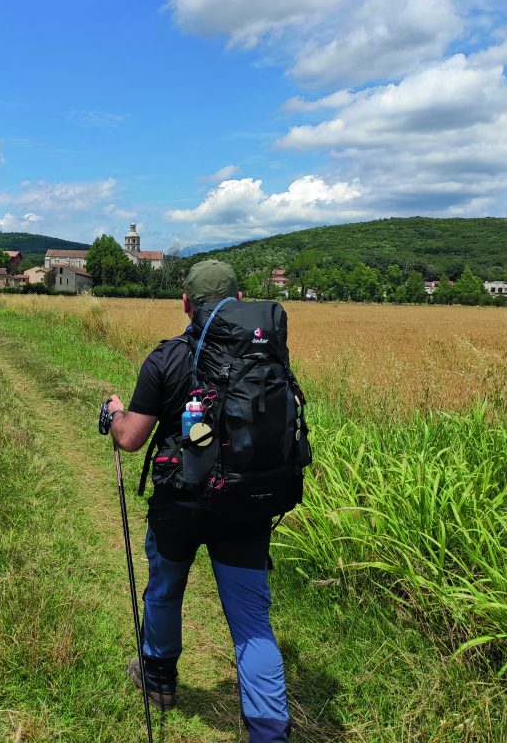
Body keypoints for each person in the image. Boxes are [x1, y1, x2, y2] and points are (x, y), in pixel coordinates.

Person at [105, 259, 292, 742]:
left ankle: (159, 681)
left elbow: (131, 439)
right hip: (247, 504)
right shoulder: (264, 358)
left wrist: (114, 413)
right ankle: (269, 732)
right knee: (251, 623)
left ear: (186, 304)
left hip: (179, 504)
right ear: (239, 300)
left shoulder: (166, 358)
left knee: (165, 590)